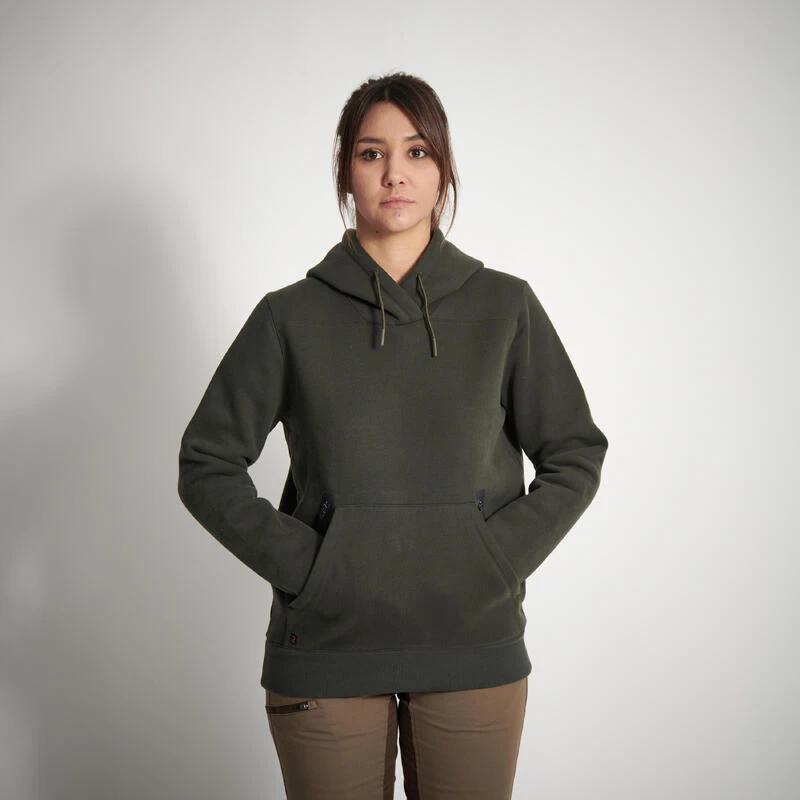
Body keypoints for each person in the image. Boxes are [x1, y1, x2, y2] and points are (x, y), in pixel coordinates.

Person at [177, 71, 608, 799]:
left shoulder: (505, 307)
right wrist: (313, 566)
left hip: (472, 641)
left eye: (417, 151)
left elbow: (574, 453)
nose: (395, 173)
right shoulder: (289, 317)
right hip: (327, 646)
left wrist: (492, 559)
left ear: (443, 170)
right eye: (371, 153)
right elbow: (206, 463)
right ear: (346, 170)